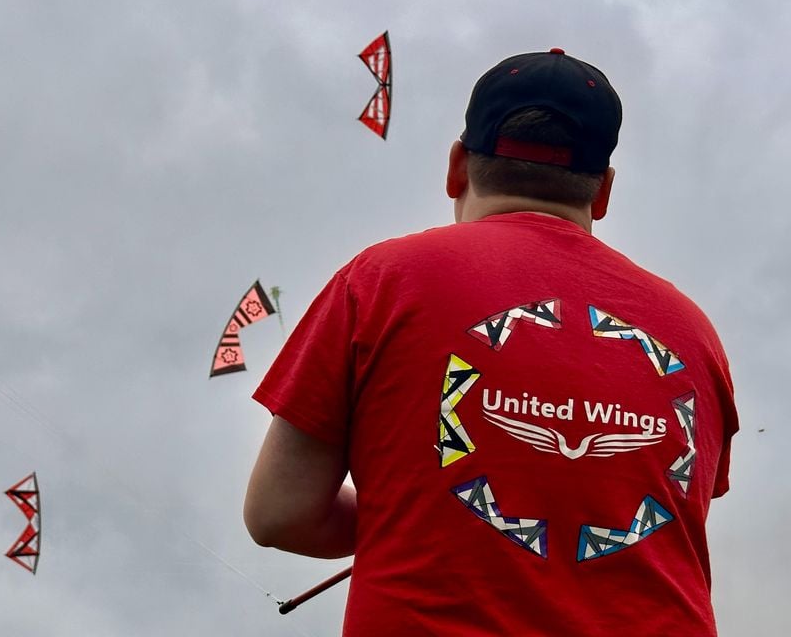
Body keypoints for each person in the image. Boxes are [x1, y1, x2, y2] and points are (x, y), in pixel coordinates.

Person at [243, 48, 737, 636]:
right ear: (602, 192)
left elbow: (280, 513)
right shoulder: (695, 334)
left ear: (457, 166)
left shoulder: (381, 280)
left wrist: (408, 512)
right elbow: (661, 509)